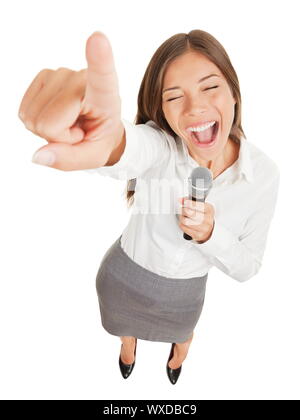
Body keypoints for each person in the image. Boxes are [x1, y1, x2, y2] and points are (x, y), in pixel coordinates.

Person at [18, 30, 280, 385]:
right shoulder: (161, 146)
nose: (195, 108)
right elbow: (127, 147)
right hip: (124, 277)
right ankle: (128, 349)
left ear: (234, 91)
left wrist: (211, 235)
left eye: (210, 87)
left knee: (183, 334)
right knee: (122, 325)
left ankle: (176, 359)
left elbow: (247, 267)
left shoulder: (263, 175)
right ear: (163, 112)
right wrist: (100, 137)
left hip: (185, 294)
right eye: (174, 97)